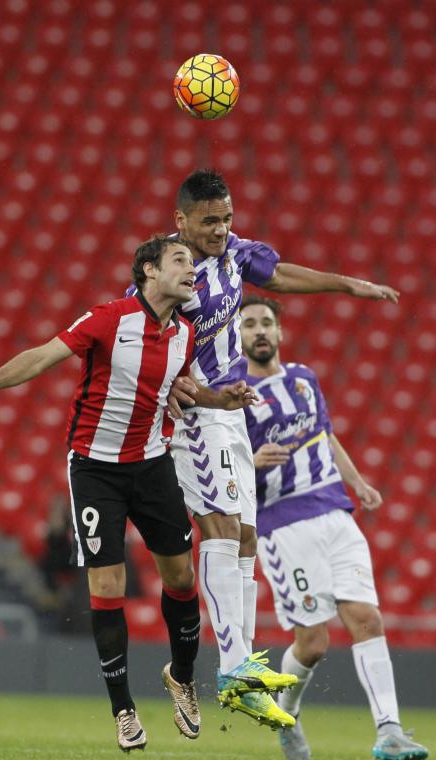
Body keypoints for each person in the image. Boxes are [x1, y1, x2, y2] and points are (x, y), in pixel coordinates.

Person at [0, 235, 256, 752]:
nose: (192, 270)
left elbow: (185, 387)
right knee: (108, 586)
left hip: (153, 463)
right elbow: (45, 354)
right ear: (149, 272)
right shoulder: (109, 318)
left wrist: (220, 397)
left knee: (181, 576)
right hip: (95, 469)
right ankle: (124, 711)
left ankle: (181, 677)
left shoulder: (182, 332)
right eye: (180, 261)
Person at [163, 169, 400, 729]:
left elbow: (284, 276)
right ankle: (232, 671)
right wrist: (166, 381)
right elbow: (137, 328)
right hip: (197, 415)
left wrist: (345, 283)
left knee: (244, 537)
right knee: (221, 532)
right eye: (208, 222)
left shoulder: (235, 255)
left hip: (231, 415)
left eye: (226, 219)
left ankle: (240, 668)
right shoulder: (167, 270)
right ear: (181, 221)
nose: (221, 230)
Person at [240, 294, 429, 760]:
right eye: (249, 325)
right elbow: (218, 466)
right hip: (283, 524)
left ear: (280, 332)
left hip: (335, 512)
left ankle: (389, 730)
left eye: (267, 323)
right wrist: (250, 460)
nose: (260, 331)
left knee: (367, 619)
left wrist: (358, 482)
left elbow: (325, 434)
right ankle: (286, 716)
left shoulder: (304, 379)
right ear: (238, 336)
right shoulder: (230, 394)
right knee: (314, 643)